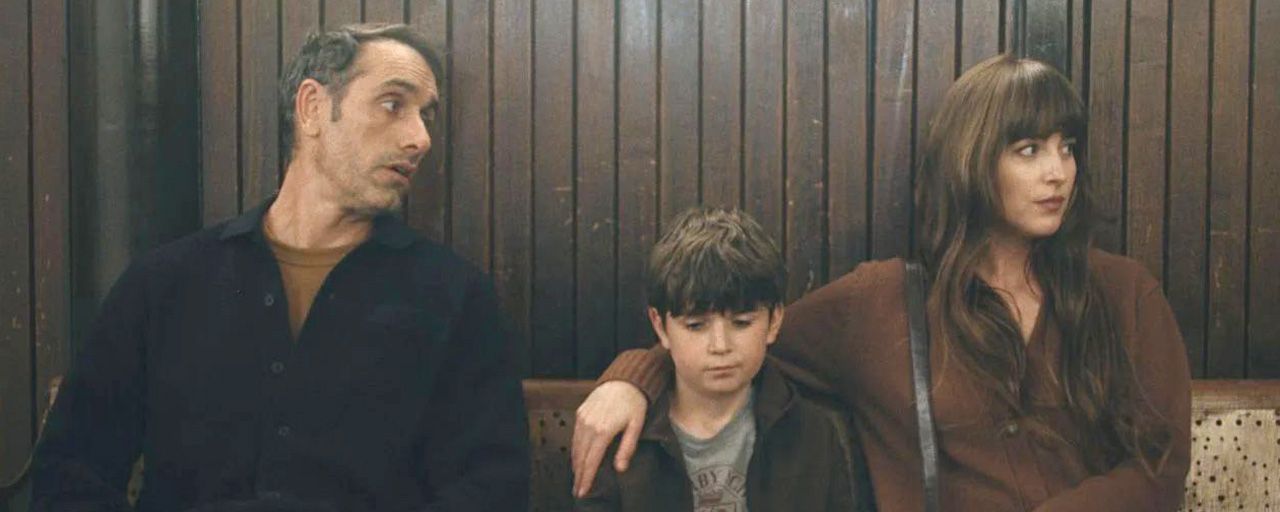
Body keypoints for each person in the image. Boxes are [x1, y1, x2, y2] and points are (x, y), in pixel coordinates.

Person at [572, 54, 1191, 511]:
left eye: (1067, 147)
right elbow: (738, 337)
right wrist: (634, 380)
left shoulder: (1124, 293)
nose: (1058, 171)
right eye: (1029, 149)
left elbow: (1160, 469)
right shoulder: (883, 304)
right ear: (972, 160)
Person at [31, 23, 529, 512]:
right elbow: (69, 471)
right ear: (312, 107)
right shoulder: (165, 283)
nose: (420, 138)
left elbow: (493, 489)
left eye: (427, 115)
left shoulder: (455, 296)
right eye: (393, 104)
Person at [574, 207, 863, 511]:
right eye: (696, 326)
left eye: (742, 323)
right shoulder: (616, 434)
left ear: (775, 321)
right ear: (660, 327)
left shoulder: (813, 434)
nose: (720, 345)